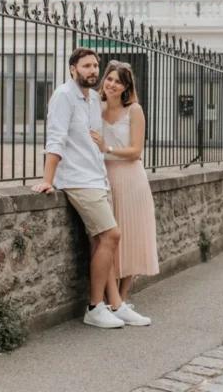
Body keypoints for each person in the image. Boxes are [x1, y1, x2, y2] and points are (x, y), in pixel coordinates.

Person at [32, 48, 148, 328]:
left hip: (97, 178)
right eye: (86, 66)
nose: (93, 71)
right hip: (78, 180)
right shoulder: (64, 96)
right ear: (73, 68)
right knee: (112, 234)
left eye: (96, 66)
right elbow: (56, 138)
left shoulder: (91, 99)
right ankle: (95, 306)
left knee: (100, 241)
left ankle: (115, 305)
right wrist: (48, 179)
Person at [90, 60, 159, 317]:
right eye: (109, 79)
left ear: (126, 87)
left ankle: (122, 300)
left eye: (118, 81)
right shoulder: (96, 107)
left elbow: (135, 151)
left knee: (131, 236)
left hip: (131, 178)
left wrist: (106, 149)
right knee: (107, 239)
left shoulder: (135, 110)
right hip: (103, 178)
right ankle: (112, 300)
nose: (111, 84)